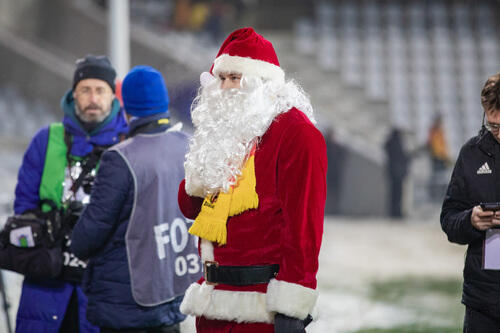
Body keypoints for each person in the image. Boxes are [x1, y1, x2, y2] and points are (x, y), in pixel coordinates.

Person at [178, 27, 327, 333]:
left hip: (262, 310)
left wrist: (292, 307)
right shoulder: (223, 132)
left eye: (237, 78)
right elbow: (190, 206)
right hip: (212, 304)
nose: (228, 87)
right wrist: (206, 153)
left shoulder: (295, 133)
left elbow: (303, 227)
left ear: (265, 83)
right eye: (222, 78)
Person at [71, 65, 201, 333]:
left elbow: (88, 237)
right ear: (163, 102)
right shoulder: (188, 145)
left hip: (128, 300)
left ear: (126, 108)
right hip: (174, 289)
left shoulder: (120, 158)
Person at [13, 55, 128, 333]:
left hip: (103, 284)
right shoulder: (46, 139)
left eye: (100, 90)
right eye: (85, 90)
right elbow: (23, 203)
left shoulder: (127, 144)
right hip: (47, 279)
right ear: (73, 94)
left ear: (113, 96)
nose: (92, 98)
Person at [441, 72, 500, 332]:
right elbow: (449, 218)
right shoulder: (471, 153)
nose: (498, 133)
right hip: (482, 301)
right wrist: (471, 220)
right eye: (493, 125)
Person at [384, 127, 409, 218]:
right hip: (397, 174)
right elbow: (402, 158)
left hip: (393, 173)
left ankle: (394, 212)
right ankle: (396, 212)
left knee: (394, 195)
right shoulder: (396, 145)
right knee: (397, 195)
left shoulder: (390, 144)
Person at [427, 114, 451, 200]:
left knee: (441, 178)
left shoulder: (440, 132)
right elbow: (434, 146)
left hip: (441, 158)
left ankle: (441, 196)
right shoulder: (433, 131)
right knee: (436, 178)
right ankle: (435, 196)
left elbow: (443, 146)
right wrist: (441, 156)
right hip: (437, 158)